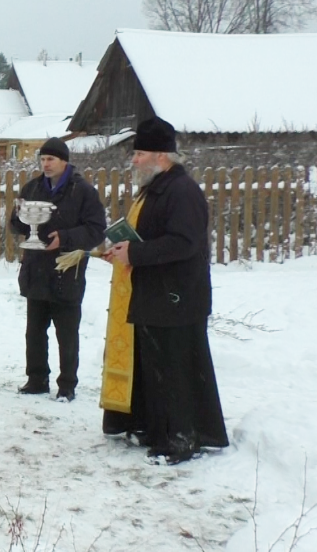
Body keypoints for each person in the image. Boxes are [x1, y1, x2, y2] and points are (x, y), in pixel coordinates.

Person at [101, 117, 228, 464]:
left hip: (177, 298)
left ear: (162, 156)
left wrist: (135, 253)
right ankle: (153, 429)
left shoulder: (182, 191)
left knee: (174, 371)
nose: (134, 160)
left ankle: (181, 439)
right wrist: (122, 249)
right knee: (153, 368)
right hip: (157, 295)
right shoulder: (156, 188)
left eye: (140, 153)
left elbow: (184, 243)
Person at [9, 137, 106, 402]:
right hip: (36, 269)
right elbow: (15, 224)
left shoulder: (82, 191)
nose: (46, 164)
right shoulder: (32, 188)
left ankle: (67, 385)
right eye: (42, 159)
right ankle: (37, 379)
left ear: (64, 161)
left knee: (67, 333)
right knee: (35, 331)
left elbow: (96, 230)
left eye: (51, 159)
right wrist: (19, 219)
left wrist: (64, 237)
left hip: (67, 272)